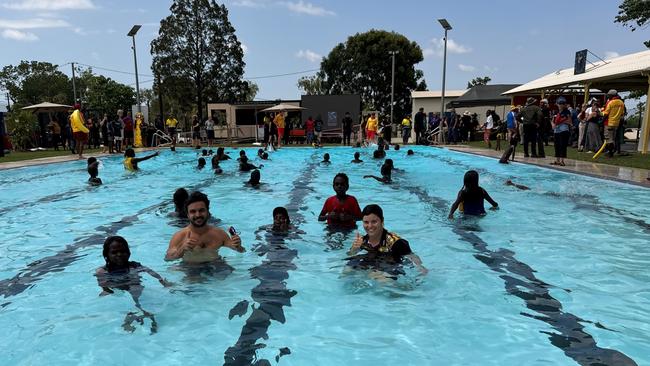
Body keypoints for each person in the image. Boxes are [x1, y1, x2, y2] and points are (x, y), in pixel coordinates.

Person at [96, 236, 171, 333]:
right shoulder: (102, 271)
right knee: (127, 298)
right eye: (114, 252)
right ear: (106, 255)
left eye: (123, 251)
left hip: (136, 289)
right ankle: (139, 314)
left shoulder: (134, 266)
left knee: (135, 291)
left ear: (128, 252)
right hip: (119, 291)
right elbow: (105, 288)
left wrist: (163, 282)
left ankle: (140, 313)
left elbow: (152, 273)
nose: (119, 254)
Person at [346, 204, 428, 277]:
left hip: (391, 264)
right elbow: (350, 254)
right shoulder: (362, 241)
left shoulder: (397, 242)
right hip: (373, 260)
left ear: (382, 221)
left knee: (381, 279)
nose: (370, 226)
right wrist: (354, 249)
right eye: (366, 222)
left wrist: (420, 267)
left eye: (374, 222)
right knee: (347, 269)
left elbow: (412, 256)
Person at [165, 191, 245, 263]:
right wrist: (182, 249)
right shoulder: (179, 236)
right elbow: (168, 259)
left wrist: (238, 246)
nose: (198, 215)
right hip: (190, 268)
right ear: (188, 215)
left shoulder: (219, 234)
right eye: (193, 211)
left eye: (201, 210)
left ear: (207, 211)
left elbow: (241, 251)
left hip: (216, 265)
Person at [602, 89, 625, 157]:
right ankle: (612, 151)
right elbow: (622, 113)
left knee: (609, 139)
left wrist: (602, 121)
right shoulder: (621, 102)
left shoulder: (610, 102)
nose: (608, 96)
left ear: (612, 95)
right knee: (613, 138)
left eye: (609, 95)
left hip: (608, 123)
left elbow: (606, 113)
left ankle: (610, 153)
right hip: (616, 123)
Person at [551, 97, 571, 166]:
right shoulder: (555, 112)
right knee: (556, 145)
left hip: (563, 130)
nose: (560, 105)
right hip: (556, 131)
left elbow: (570, 121)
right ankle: (557, 160)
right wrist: (553, 124)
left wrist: (561, 121)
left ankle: (562, 161)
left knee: (563, 145)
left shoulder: (567, 112)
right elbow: (552, 120)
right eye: (559, 103)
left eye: (562, 104)